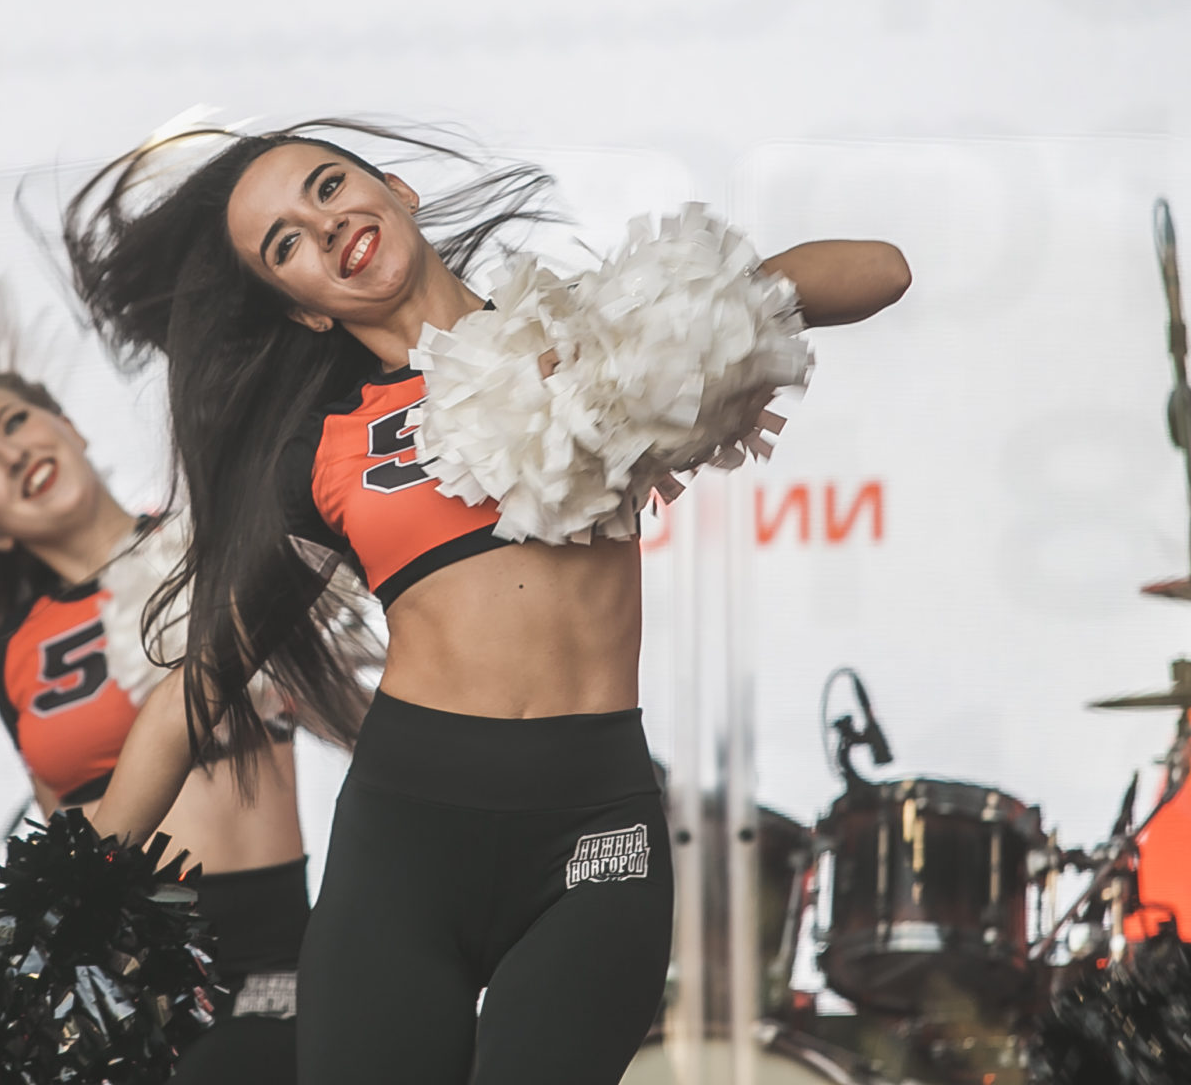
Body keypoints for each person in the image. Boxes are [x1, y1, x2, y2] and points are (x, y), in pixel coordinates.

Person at [60, 121, 911, 1085]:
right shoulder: (321, 452)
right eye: (285, 242)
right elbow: (198, 687)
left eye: (328, 187)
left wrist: (687, 316)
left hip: (596, 831)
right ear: (301, 310)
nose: (325, 226)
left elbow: (881, 272)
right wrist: (65, 903)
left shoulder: (594, 334)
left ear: (397, 190)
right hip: (405, 843)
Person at [0, 367, 360, 1082]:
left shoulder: (215, 546)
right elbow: (63, 833)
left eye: (14, 422)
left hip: (269, 956)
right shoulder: (11, 653)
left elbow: (347, 702)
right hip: (124, 988)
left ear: (68, 426)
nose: (12, 455)